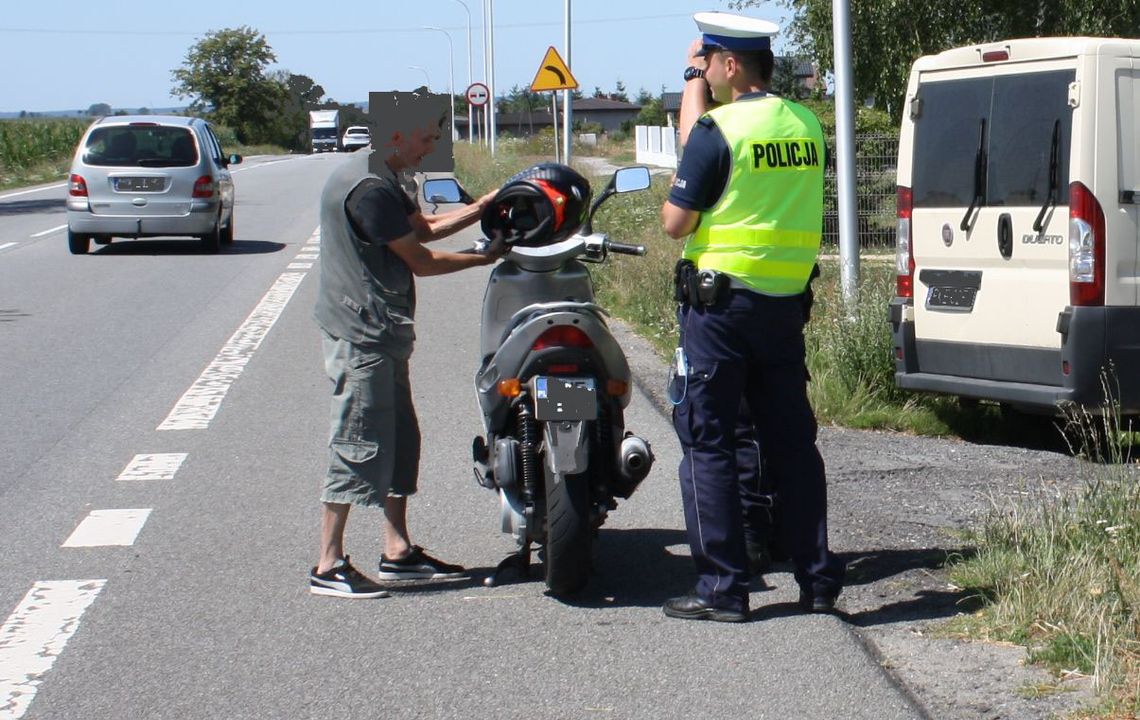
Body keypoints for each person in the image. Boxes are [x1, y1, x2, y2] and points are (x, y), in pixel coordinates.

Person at [660, 11, 845, 622]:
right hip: (785, 309)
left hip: (720, 312)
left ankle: (724, 589)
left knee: (709, 444)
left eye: (707, 62)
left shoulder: (720, 129)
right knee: (792, 445)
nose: (705, 73)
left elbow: (675, 222)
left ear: (729, 64)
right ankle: (816, 580)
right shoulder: (806, 124)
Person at [309, 91, 505, 599]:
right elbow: (423, 259)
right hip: (361, 331)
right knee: (358, 440)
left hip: (382, 329)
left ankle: (397, 551)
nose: (432, 146)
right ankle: (328, 565)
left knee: (399, 436)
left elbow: (426, 227)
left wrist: (485, 207)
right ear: (396, 134)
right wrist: (485, 259)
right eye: (427, 137)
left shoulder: (390, 175)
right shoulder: (368, 188)